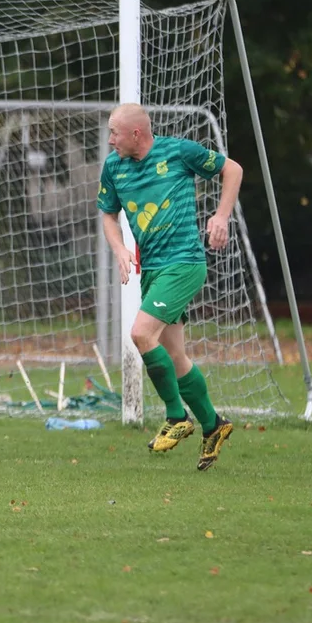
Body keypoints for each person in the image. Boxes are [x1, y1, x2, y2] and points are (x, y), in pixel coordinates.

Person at [97, 103, 242, 470]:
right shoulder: (114, 166)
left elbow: (233, 169)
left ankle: (177, 417)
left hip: (184, 264)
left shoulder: (178, 151)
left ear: (136, 134)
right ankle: (213, 425)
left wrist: (221, 216)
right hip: (154, 271)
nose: (110, 139)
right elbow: (109, 216)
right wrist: (119, 249)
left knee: (141, 334)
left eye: (114, 132)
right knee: (174, 355)